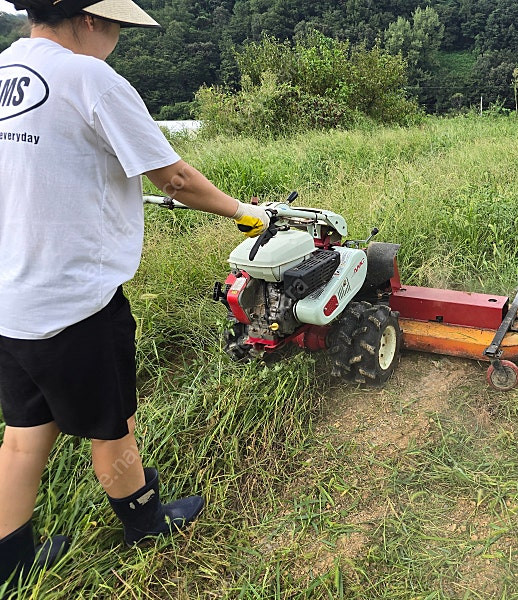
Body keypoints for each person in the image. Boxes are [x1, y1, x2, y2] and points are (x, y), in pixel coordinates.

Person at [0, 0, 270, 585]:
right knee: (111, 423)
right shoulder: (89, 76)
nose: (118, 39)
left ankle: (10, 556)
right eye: (118, 27)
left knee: (24, 430)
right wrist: (244, 211)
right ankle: (145, 523)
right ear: (92, 19)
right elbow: (172, 178)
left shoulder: (4, 71)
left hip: (11, 297)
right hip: (75, 298)